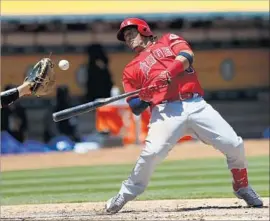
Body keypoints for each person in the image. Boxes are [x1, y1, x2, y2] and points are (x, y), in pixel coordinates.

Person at [105, 18, 263, 213]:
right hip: (165, 112)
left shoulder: (169, 39)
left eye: (131, 34)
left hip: (195, 104)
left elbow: (186, 55)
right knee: (151, 154)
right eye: (125, 37)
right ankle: (124, 194)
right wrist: (145, 97)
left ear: (143, 30)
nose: (128, 39)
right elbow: (136, 107)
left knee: (234, 144)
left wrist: (167, 74)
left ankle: (242, 186)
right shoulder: (131, 69)